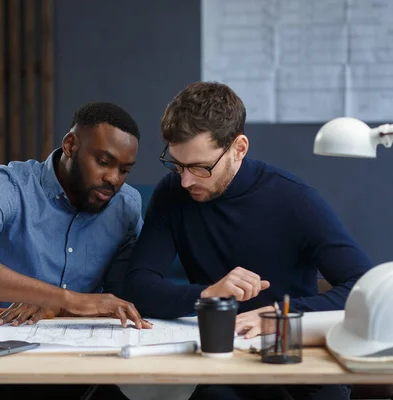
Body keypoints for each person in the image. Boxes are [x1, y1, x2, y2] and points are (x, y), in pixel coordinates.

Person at [123, 82, 372, 400]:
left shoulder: (295, 200)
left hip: (299, 361)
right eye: (177, 164)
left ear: (239, 148)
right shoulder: (172, 194)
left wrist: (278, 316)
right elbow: (137, 287)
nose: (185, 180)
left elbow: (364, 291)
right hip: (226, 365)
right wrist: (209, 295)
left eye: (200, 167)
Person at [0, 102, 150, 400]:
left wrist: (61, 308)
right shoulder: (9, 185)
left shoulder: (126, 206)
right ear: (71, 145)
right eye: (103, 162)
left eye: (124, 170)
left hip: (81, 372)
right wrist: (63, 297)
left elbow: (117, 303)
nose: (113, 178)